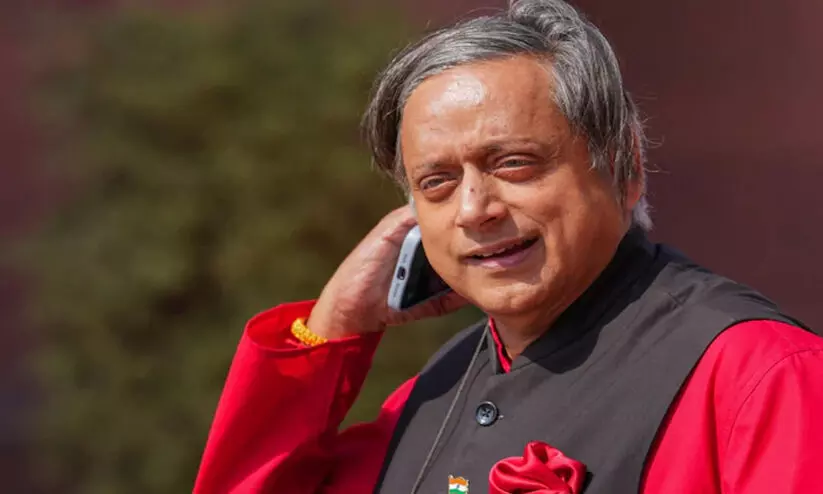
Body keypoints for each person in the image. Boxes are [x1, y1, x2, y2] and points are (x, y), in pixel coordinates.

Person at [193, 1, 823, 492]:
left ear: (623, 165)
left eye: (514, 163)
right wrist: (331, 331)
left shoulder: (761, 375)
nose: (475, 209)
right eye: (437, 183)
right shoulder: (433, 393)